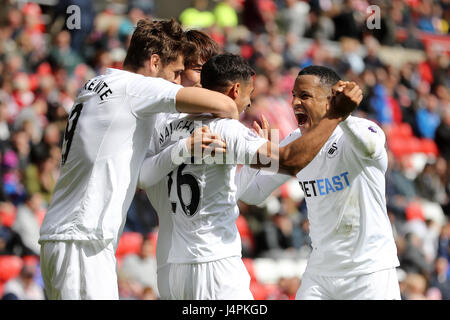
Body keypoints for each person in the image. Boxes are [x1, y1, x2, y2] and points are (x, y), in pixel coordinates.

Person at [38, 18, 239, 300]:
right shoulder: (137, 88)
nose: (176, 80)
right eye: (176, 71)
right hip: (82, 237)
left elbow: (141, 175)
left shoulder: (95, 83)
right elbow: (226, 104)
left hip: (68, 235)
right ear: (155, 62)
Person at [139, 54, 360, 299]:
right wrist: (335, 115)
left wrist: (261, 151)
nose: (249, 103)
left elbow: (234, 188)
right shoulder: (225, 128)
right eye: (249, 93)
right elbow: (291, 162)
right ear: (235, 90)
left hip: (177, 266)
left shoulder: (171, 129)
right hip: (216, 265)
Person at [238, 65, 401, 300]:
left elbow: (370, 147)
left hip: (369, 272)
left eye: (304, 96)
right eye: (293, 95)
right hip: (320, 274)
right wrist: (255, 159)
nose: (294, 103)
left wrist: (341, 115)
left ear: (330, 100)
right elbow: (253, 195)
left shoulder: (362, 130)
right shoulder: (295, 144)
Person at [141, 29, 221, 300]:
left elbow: (247, 188)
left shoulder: (220, 116)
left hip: (216, 251)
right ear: (178, 68)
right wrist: (183, 148)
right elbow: (143, 177)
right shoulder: (155, 115)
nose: (204, 79)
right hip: (171, 250)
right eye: (197, 69)